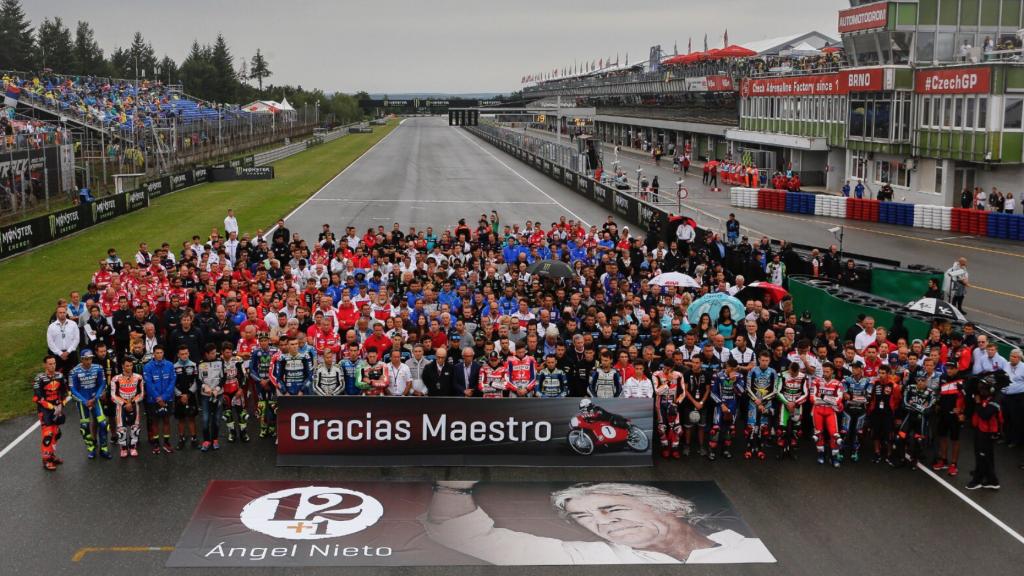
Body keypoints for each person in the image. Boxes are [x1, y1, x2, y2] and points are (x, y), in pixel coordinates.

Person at [422, 481, 775, 564]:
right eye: (584, 518)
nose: (600, 524)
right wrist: (454, 486)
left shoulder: (754, 549)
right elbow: (467, 536)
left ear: (670, 507)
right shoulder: (595, 556)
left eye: (610, 508)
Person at [69, 349, 110, 460]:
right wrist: (84, 401)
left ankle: (104, 449)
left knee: (103, 423)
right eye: (86, 359)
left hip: (94, 399)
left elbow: (102, 384)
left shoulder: (98, 368)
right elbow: (73, 389)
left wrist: (95, 397)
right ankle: (91, 449)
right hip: (83, 402)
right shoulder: (74, 371)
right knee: (84, 426)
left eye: (90, 359)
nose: (89, 361)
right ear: (82, 359)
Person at [33, 355, 70, 470]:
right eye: (50, 364)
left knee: (56, 433)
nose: (53, 366)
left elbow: (65, 391)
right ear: (45, 365)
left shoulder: (60, 376)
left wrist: (62, 403)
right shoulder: (39, 378)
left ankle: (52, 455)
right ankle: (46, 460)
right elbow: (38, 397)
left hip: (57, 409)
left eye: (54, 363)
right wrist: (51, 406)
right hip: (44, 410)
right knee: (48, 434)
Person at [966, 375, 1002, 490]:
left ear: (991, 389)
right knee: (983, 455)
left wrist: (977, 403)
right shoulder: (986, 397)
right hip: (980, 429)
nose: (981, 390)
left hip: (988, 432)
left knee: (983, 456)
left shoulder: (996, 400)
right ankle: (989, 478)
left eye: (984, 388)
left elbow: (985, 415)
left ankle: (978, 480)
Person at [894, 374, 937, 468]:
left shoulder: (931, 392)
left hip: (921, 419)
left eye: (923, 380)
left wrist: (913, 405)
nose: (921, 382)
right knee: (900, 437)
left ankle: (914, 459)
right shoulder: (910, 388)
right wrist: (921, 407)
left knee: (919, 440)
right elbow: (904, 404)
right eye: (919, 380)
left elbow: (929, 410)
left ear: (926, 381)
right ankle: (901, 458)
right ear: (916, 380)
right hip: (909, 417)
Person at [932, 362, 965, 476]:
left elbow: (968, 399)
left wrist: (961, 411)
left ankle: (954, 464)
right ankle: (943, 460)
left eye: (952, 368)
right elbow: (940, 393)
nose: (949, 371)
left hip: (955, 415)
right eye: (948, 368)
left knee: (955, 439)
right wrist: (938, 404)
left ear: (957, 369)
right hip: (943, 413)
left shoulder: (963, 380)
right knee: (942, 436)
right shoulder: (943, 377)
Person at [143, 345, 177, 454]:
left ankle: (167, 443)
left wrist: (164, 397)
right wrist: (158, 398)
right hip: (153, 400)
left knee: (167, 421)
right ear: (153, 354)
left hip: (168, 398)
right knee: (155, 422)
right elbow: (148, 384)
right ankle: (156, 443)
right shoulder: (147, 367)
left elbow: (172, 382)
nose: (159, 355)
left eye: (161, 352)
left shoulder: (170, 365)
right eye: (156, 353)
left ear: (163, 353)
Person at [708, 359, 744, 461]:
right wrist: (721, 404)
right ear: (726, 366)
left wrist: (734, 382)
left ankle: (726, 450)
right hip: (720, 405)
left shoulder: (739, 376)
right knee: (715, 429)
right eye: (729, 367)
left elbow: (741, 392)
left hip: (733, 406)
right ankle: (711, 451)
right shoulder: (718, 376)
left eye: (733, 368)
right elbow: (713, 393)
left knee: (730, 429)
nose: (731, 370)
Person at [809, 362, 844, 467]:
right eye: (824, 371)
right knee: (818, 433)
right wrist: (829, 400)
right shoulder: (816, 381)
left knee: (834, 434)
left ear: (832, 372)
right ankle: (821, 454)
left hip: (830, 411)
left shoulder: (838, 383)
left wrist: (823, 398)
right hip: (817, 410)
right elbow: (812, 399)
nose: (825, 373)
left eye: (827, 371)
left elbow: (838, 400)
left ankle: (834, 457)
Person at [744, 353, 776, 460]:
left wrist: (762, 402)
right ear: (759, 360)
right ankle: (749, 448)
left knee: (763, 427)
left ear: (769, 360)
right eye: (762, 360)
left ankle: (761, 449)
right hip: (753, 403)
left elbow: (775, 390)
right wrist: (756, 401)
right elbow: (747, 388)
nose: (764, 362)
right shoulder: (752, 371)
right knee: (751, 426)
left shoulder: (773, 372)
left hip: (766, 404)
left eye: (766, 360)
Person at [111, 357, 145, 458]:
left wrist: (132, 402)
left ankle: (133, 447)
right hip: (121, 406)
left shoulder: (139, 377)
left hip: (135, 405)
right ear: (122, 366)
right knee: (121, 429)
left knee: (135, 427)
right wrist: (125, 404)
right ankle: (124, 448)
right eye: (127, 365)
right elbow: (113, 395)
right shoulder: (115, 379)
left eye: (131, 365)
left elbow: (142, 393)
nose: (129, 367)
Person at [774, 360, 808, 460]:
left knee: (796, 431)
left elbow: (805, 393)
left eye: (795, 374)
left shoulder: (803, 376)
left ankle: (793, 450)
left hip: (797, 405)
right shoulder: (781, 375)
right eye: (792, 374)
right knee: (781, 430)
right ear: (789, 370)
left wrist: (796, 403)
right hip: (785, 404)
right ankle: (781, 450)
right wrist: (787, 403)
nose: (794, 376)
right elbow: (777, 391)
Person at [197, 343, 226, 452]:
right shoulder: (200, 364)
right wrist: (206, 388)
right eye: (212, 353)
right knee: (205, 419)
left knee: (217, 419)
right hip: (205, 396)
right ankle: (206, 440)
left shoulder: (220, 362)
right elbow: (199, 380)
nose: (215, 354)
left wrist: (217, 389)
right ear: (206, 354)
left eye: (215, 352)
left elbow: (223, 378)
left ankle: (215, 439)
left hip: (218, 394)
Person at [840, 360, 871, 463]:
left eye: (856, 368)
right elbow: (845, 395)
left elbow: (868, 397)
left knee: (859, 432)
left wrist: (853, 397)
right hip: (848, 409)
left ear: (861, 369)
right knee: (844, 431)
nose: (853, 370)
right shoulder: (846, 380)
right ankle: (841, 451)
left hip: (861, 410)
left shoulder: (868, 381)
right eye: (852, 368)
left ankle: (855, 452)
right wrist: (857, 397)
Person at [653, 361, 684, 459]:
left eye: (669, 368)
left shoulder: (678, 375)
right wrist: (668, 381)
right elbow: (657, 391)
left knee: (678, 429)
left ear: (673, 368)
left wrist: (676, 403)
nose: (666, 370)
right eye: (665, 368)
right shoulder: (656, 374)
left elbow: (683, 392)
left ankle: (675, 449)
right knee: (661, 429)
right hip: (660, 405)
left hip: (673, 404)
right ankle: (665, 447)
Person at [173, 345, 200, 449]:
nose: (184, 356)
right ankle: (181, 439)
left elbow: (196, 381)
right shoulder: (174, 367)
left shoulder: (193, 365)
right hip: (179, 395)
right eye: (182, 354)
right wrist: (180, 395)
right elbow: (172, 383)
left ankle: (194, 438)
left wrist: (188, 394)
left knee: (192, 417)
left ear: (188, 353)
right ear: (178, 355)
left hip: (191, 395)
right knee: (181, 418)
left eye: (186, 353)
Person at [47, 306, 80, 376]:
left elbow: (76, 339)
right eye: (60, 312)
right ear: (56, 314)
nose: (62, 314)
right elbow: (50, 342)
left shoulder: (73, 324)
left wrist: (68, 351)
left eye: (64, 312)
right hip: (57, 355)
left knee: (74, 374)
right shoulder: (51, 327)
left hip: (71, 353)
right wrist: (60, 353)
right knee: (58, 375)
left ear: (66, 313)